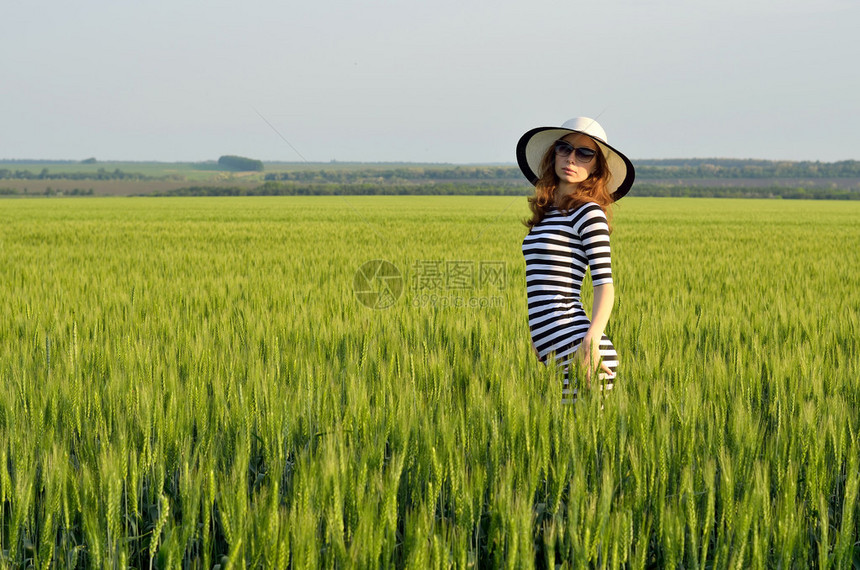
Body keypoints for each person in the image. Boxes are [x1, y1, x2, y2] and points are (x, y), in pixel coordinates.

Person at [517, 117, 635, 403]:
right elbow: (541, 280)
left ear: (596, 166)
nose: (571, 158)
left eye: (584, 153)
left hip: (580, 351)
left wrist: (592, 339)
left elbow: (604, 284)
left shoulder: (588, 213)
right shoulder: (549, 214)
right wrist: (537, 335)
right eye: (564, 148)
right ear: (553, 154)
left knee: (586, 445)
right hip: (553, 349)